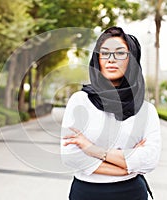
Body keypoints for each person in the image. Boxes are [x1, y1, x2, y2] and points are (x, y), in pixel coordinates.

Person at [60, 26, 161, 200]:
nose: (111, 59)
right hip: (86, 193)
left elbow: (149, 160)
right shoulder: (80, 102)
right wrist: (126, 166)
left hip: (131, 193)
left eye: (120, 53)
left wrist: (93, 149)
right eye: (105, 53)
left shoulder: (146, 110)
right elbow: (71, 156)